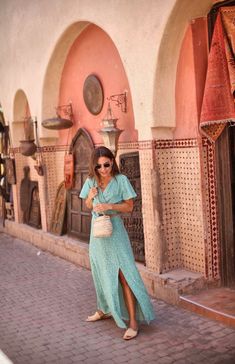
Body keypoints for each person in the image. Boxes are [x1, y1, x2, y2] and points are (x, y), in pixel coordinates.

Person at [79, 146, 155, 340]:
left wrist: (110, 206)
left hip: (116, 233)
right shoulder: (90, 181)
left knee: (124, 274)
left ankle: (133, 322)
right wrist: (90, 196)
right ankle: (103, 309)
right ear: (94, 167)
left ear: (112, 161)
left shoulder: (121, 180)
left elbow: (129, 207)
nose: (103, 169)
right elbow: (87, 205)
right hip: (97, 234)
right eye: (99, 166)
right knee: (100, 271)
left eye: (106, 164)